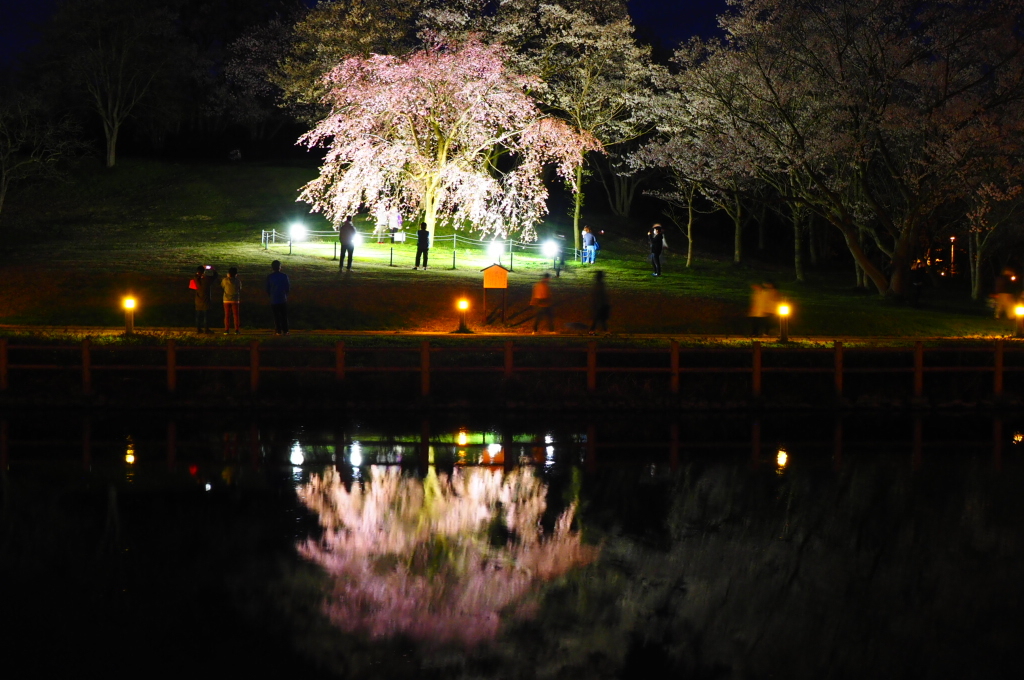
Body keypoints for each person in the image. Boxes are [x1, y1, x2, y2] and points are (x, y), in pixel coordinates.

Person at [266, 260, 291, 335]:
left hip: (274, 299)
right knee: (284, 315)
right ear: (280, 267)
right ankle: (286, 330)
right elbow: (287, 287)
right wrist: (285, 295)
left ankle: (278, 330)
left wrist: (271, 295)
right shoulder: (284, 276)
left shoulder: (270, 277)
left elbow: (268, 288)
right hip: (282, 298)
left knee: (276, 316)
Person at [192, 265, 217, 333]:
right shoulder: (207, 280)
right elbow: (215, 276)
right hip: (206, 301)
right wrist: (213, 269)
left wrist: (199, 271)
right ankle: (206, 329)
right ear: (204, 272)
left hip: (198, 300)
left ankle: (198, 329)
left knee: (198, 316)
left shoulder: (196, 279)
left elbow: (195, 275)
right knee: (206, 316)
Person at [220, 266, 242, 334]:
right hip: (235, 300)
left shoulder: (225, 280)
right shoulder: (238, 281)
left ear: (228, 273)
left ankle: (226, 330)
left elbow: (222, 286)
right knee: (236, 315)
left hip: (226, 300)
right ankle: (237, 330)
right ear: (236, 274)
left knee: (227, 315)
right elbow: (240, 288)